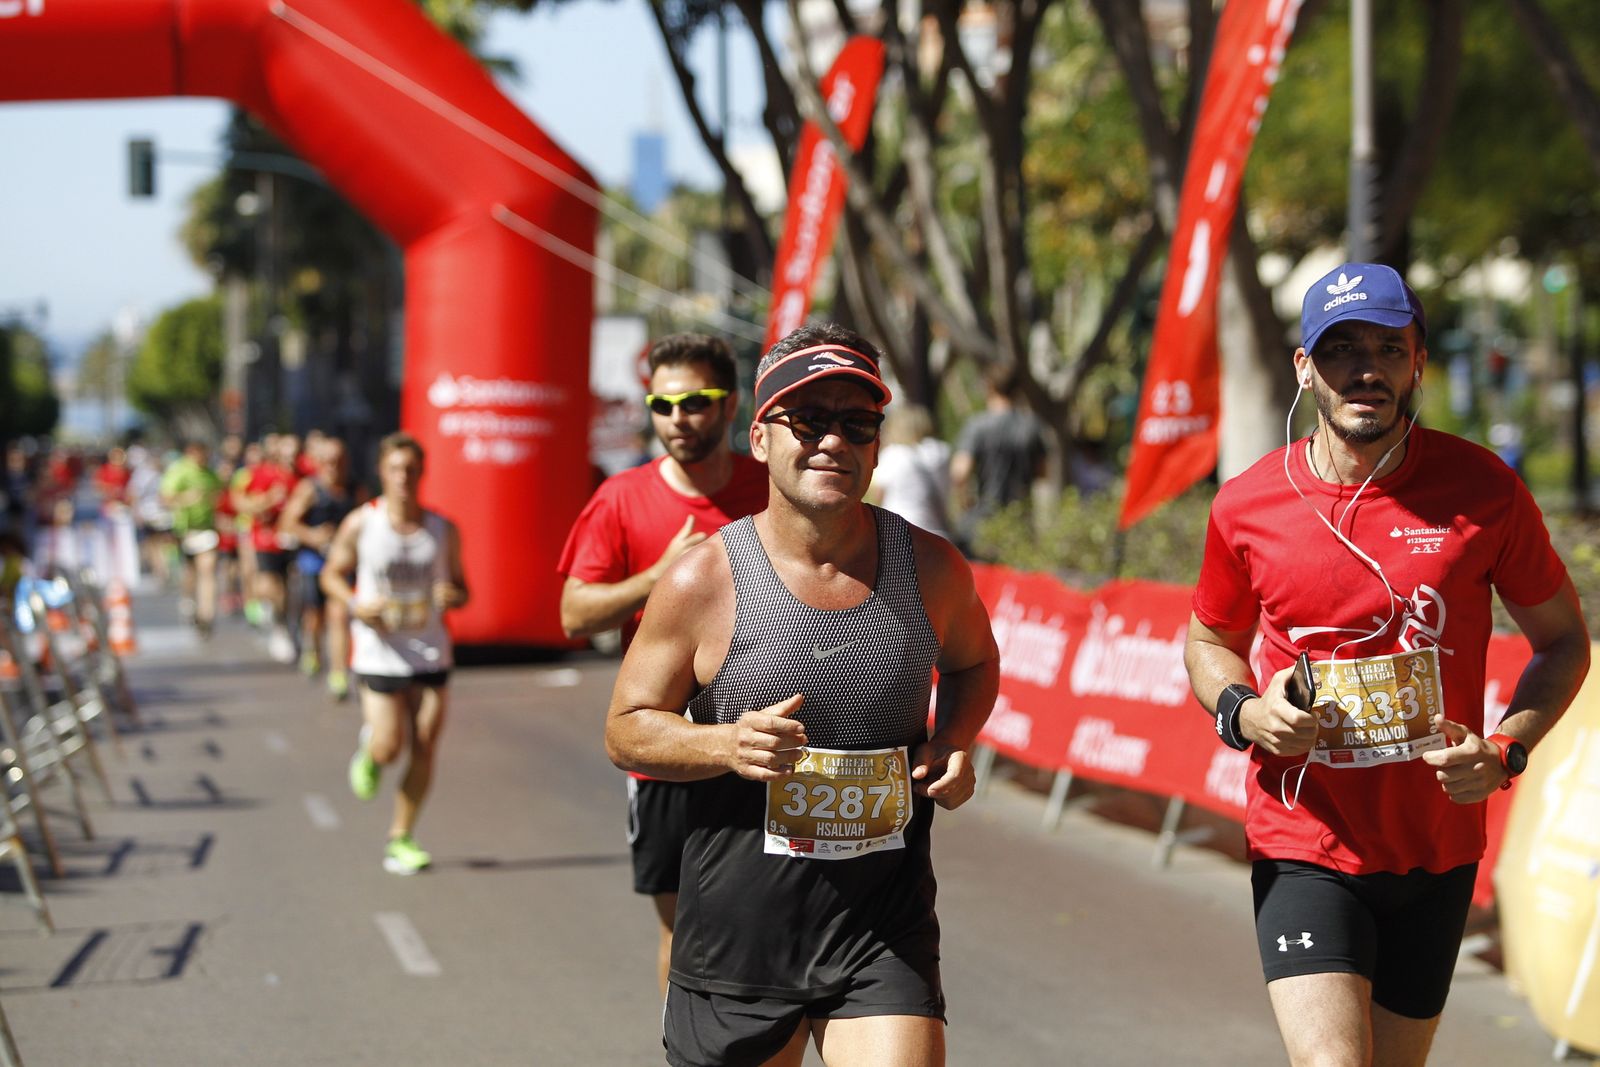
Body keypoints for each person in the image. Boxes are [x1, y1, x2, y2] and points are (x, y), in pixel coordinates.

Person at [1183, 262, 1591, 1067]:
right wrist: (1245, 711)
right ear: (1304, 366)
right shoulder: (1248, 504)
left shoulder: (1484, 491)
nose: (1364, 369)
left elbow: (1565, 641)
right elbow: (1206, 639)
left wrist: (1506, 748)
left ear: (1418, 363)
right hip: (1306, 836)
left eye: (1386, 347)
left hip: (1437, 845)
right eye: (1339, 350)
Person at [605, 323, 1000, 1066]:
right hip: (738, 936)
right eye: (809, 420)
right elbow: (626, 726)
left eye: (857, 423)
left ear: (877, 444)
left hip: (881, 927)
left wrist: (953, 738)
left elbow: (976, 663)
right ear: (759, 438)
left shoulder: (932, 568)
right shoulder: (704, 580)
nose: (833, 442)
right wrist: (725, 743)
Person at [557, 332, 769, 994]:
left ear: (730, 404)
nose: (679, 416)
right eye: (663, 402)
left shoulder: (772, 490)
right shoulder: (622, 498)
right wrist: (656, 576)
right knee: (686, 930)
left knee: (771, 924)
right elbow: (574, 613)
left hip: (772, 737)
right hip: (668, 750)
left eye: (697, 400)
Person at [321, 431, 468, 875]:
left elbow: (463, 588)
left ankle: (400, 837)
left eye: (411, 469)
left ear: (422, 473)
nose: (403, 477)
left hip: (429, 651)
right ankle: (371, 752)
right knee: (390, 747)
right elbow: (331, 575)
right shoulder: (362, 523)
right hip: (379, 652)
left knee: (424, 745)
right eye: (395, 469)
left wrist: (452, 595)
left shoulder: (442, 529)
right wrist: (354, 604)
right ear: (382, 473)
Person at [280, 434, 357, 700]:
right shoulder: (310, 489)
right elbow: (288, 522)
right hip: (314, 562)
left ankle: (338, 674)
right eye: (328, 462)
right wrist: (313, 536)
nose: (334, 467)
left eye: (338, 462)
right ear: (320, 463)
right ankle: (312, 650)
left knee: (339, 615)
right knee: (315, 617)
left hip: (342, 564)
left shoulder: (354, 489)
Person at [949, 364, 1046, 553]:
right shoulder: (1032, 426)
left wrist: (965, 502)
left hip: (983, 523)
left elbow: (960, 473)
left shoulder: (978, 426)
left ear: (990, 387)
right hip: (1020, 523)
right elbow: (1043, 473)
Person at [234, 433, 299, 663]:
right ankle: (279, 626)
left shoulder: (300, 476)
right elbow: (240, 503)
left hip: (292, 540)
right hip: (265, 538)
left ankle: (289, 624)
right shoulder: (258, 474)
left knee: (291, 588)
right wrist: (268, 501)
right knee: (271, 585)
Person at [160, 441, 223, 638]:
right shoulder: (179, 471)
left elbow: (220, 495)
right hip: (185, 530)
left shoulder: (210, 474)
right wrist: (187, 498)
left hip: (207, 529)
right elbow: (165, 498)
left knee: (208, 569)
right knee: (190, 573)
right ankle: (189, 600)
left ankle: (207, 615)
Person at [868, 402, 952, 539]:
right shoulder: (942, 452)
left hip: (900, 535)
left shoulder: (894, 454)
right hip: (939, 533)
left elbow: (878, 496)